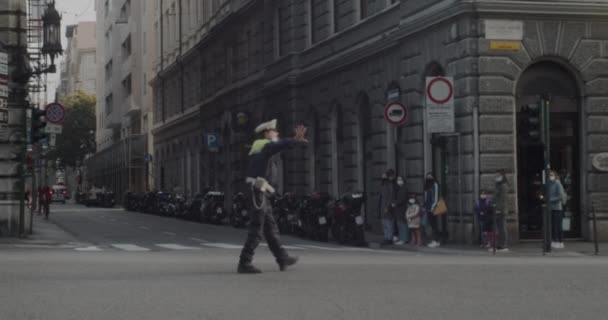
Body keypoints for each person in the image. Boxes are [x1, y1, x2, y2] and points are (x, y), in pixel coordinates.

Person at [238, 119, 308, 274]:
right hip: (257, 192)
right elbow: (277, 145)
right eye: (274, 131)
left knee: (271, 228)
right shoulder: (263, 145)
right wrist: (294, 139)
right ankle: (244, 262)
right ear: (266, 134)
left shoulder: (265, 149)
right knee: (257, 229)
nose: (276, 133)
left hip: (262, 192)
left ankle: (282, 258)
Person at [549, 170, 567, 249]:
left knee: (558, 226)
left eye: (552, 175)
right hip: (551, 208)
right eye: (549, 175)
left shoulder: (557, 183)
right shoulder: (549, 184)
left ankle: (560, 241)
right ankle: (554, 241)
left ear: (555, 176)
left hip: (557, 208)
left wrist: (550, 199)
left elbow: (560, 196)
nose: (550, 176)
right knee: (553, 225)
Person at [492, 169, 510, 253]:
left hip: (501, 210)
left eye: (498, 175)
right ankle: (500, 245)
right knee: (499, 227)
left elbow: (503, 199)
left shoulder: (503, 186)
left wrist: (499, 209)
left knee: (502, 227)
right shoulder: (498, 185)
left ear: (502, 176)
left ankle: (504, 245)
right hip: (498, 209)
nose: (496, 177)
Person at [379, 169, 396, 245]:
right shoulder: (383, 184)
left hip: (387, 207)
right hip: (382, 206)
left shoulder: (390, 185)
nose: (383, 176)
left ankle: (389, 238)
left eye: (384, 175)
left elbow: (391, 197)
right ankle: (386, 237)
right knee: (384, 223)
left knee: (389, 223)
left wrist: (387, 206)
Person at [424, 173, 441, 248]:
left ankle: (436, 241)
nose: (429, 178)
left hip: (433, 208)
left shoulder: (435, 184)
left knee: (434, 225)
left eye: (431, 176)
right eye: (428, 176)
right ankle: (434, 240)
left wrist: (432, 207)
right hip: (428, 208)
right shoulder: (427, 186)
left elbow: (436, 197)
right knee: (431, 224)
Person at [393, 176, 409, 245]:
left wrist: (395, 203)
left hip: (402, 209)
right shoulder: (399, 189)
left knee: (402, 224)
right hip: (399, 209)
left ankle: (403, 239)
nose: (399, 181)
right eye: (398, 179)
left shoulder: (404, 189)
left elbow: (401, 199)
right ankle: (401, 238)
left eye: (400, 180)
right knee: (400, 224)